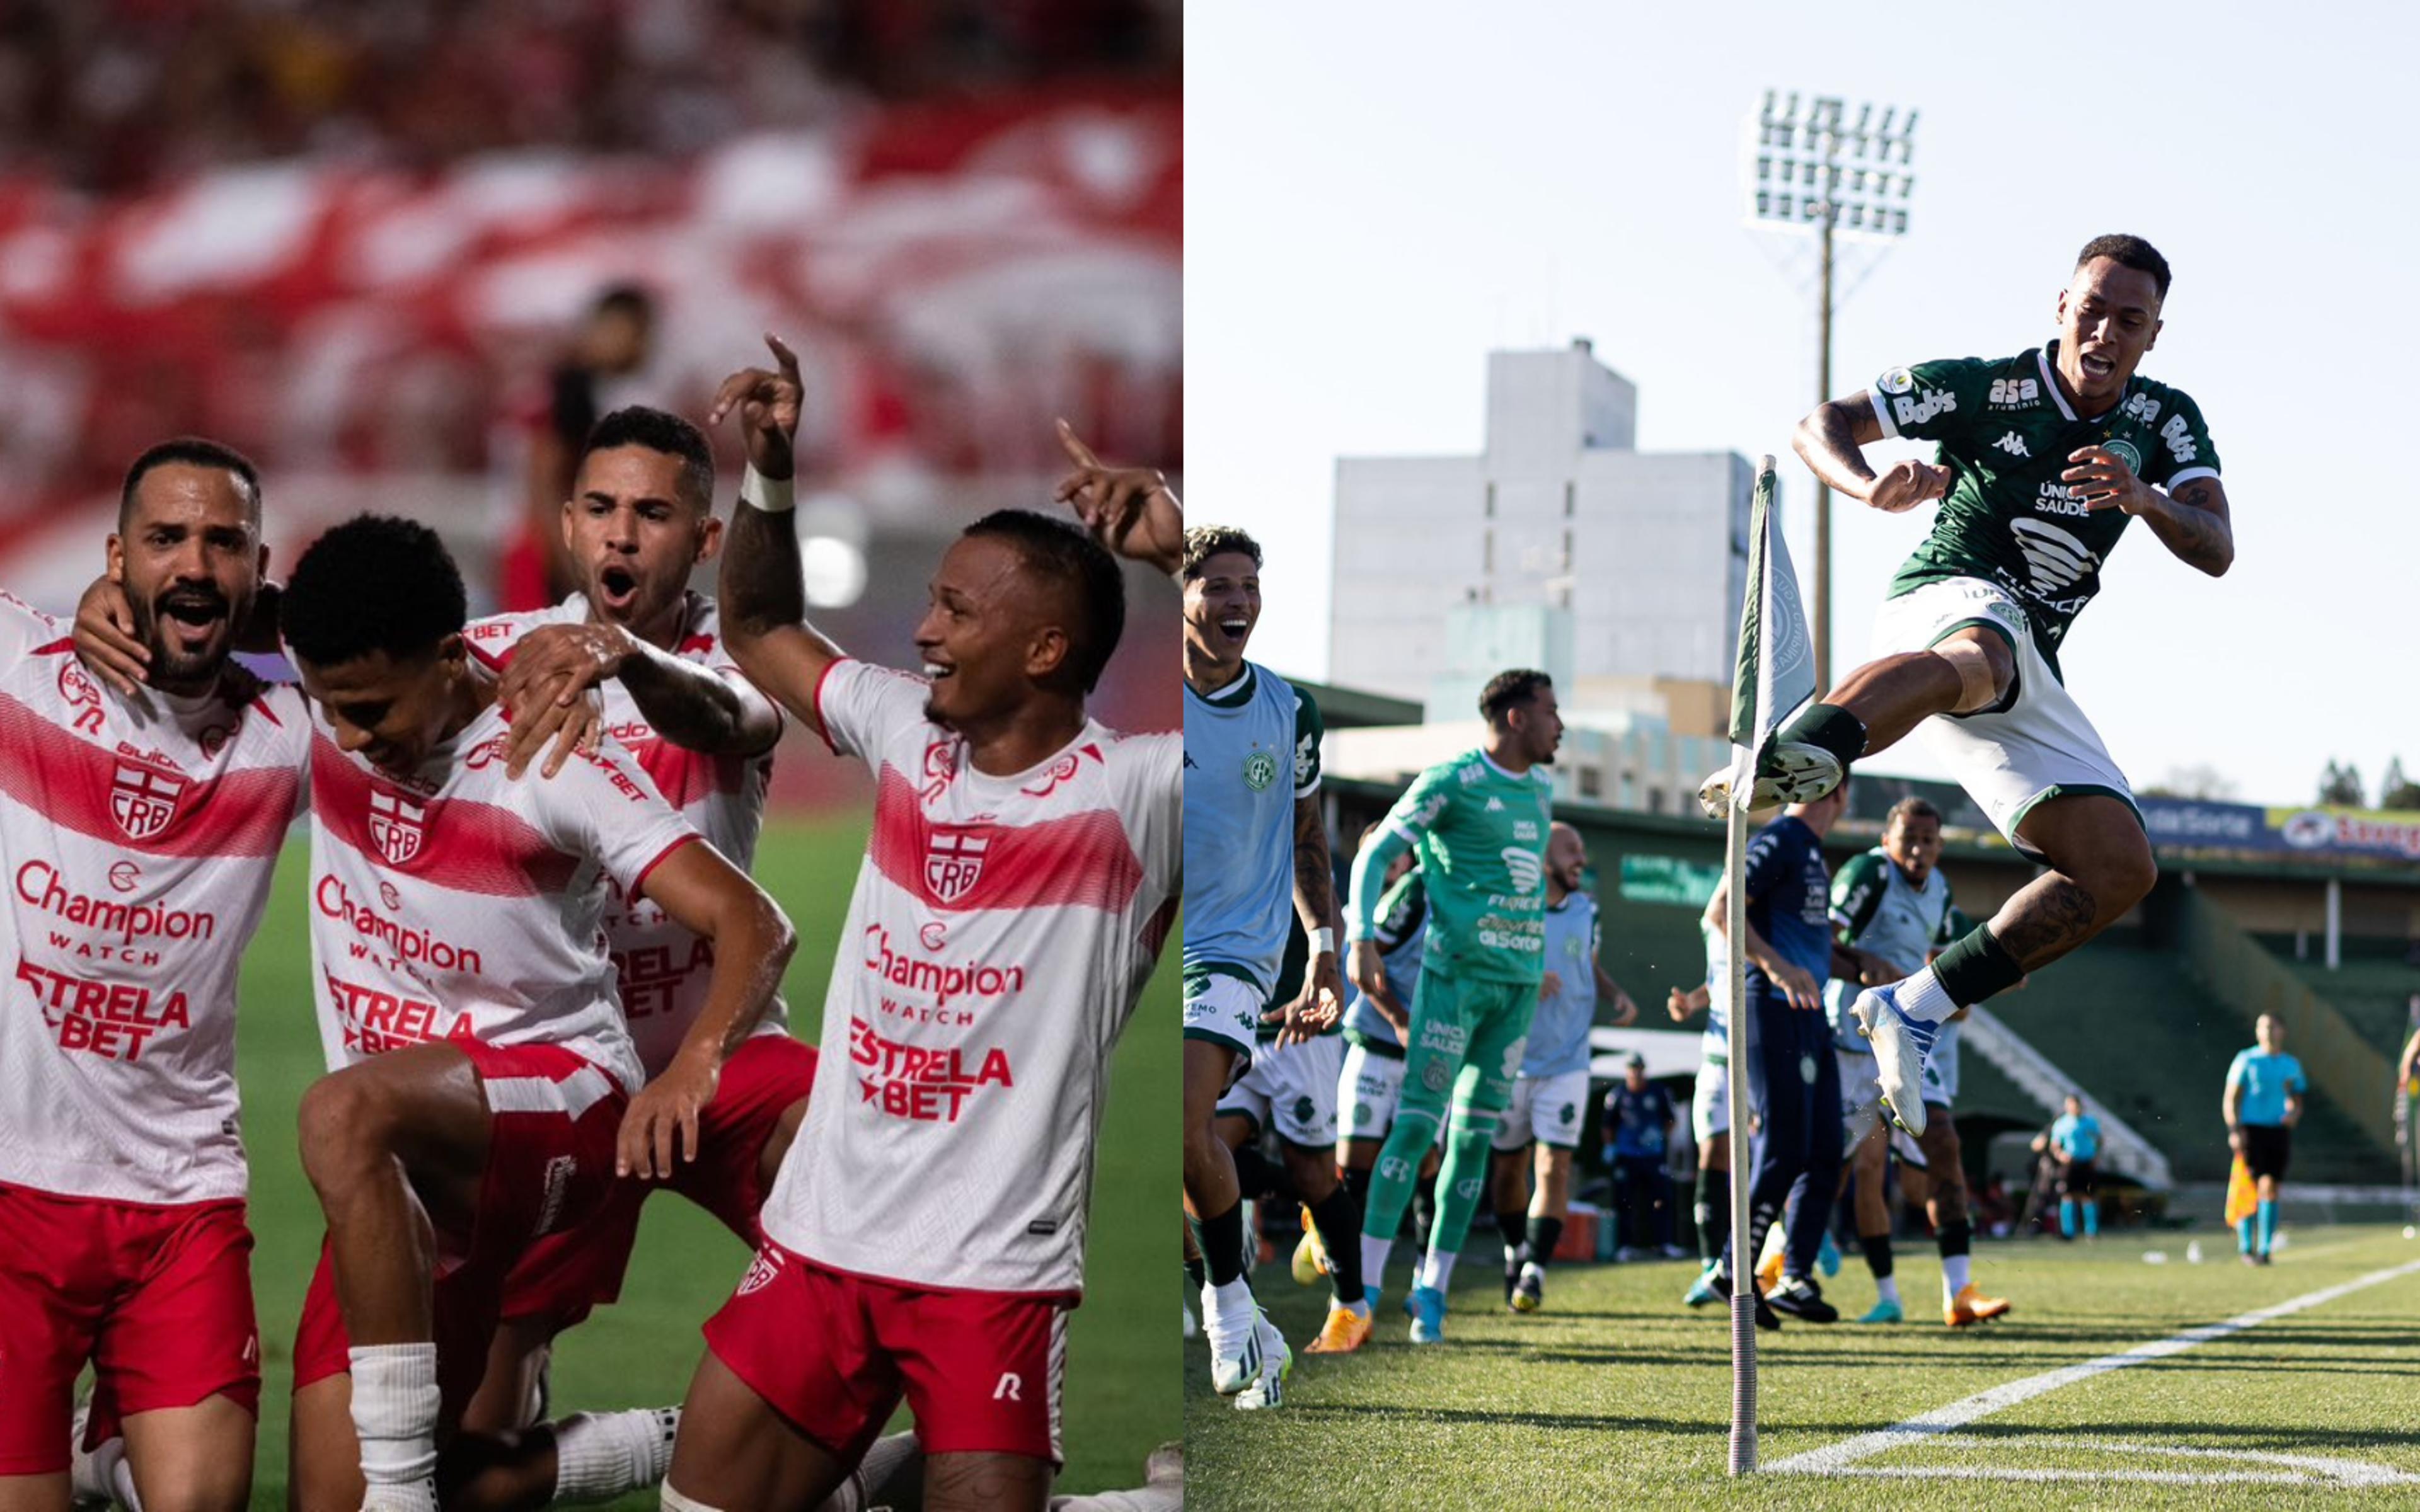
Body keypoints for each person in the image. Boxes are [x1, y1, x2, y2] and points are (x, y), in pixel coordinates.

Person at [664, 341, 1182, 1511]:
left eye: (955, 608)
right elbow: (754, 623)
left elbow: (1267, 748)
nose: (926, 631)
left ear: (1047, 649)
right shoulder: (905, 733)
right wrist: (774, 471)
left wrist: (1186, 557)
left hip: (990, 1271)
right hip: (822, 1238)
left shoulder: (1140, 793)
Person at [274, 513, 795, 1512]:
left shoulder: (552, 755)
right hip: (412, 1167)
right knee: (405, 1489)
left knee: (339, 1112)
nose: (343, 738)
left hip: (563, 1101)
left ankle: (397, 1499)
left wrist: (692, 1065)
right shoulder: (337, 689)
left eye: (369, 710)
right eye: (326, 707)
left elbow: (752, 920)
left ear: (447, 654)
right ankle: (726, 1455)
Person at [1706, 235, 2232, 1140]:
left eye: (2129, 321)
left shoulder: (2164, 418)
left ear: (2153, 336)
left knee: (2119, 869)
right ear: (2060, 305)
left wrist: (2144, 499)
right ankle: (1807, 750)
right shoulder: (1986, 388)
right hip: (1947, 602)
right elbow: (1817, 426)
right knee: (1982, 651)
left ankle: (1911, 1005)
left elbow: (2217, 548)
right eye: (2092, 309)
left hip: (2029, 661)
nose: (2105, 331)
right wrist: (1869, 487)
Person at [447, 404, 823, 1477]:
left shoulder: (735, 664)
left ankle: (876, 1428)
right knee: (473, 1463)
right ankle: (660, 1447)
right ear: (569, 526)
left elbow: (728, 719)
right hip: (570, 1074)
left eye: (653, 514)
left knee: (849, 1151)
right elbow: (360, 657)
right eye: (603, 510)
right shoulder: (501, 657)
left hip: (720, 1054)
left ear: (704, 540)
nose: (622, 535)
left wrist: (625, 660)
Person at [0, 439, 302, 1512]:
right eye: (166, 539)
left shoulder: (287, 731)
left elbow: (418, 653)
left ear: (260, 574)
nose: (194, 564)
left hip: (179, 1201)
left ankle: (105, 1459)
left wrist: (280, 639)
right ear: (115, 555)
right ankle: (92, 1465)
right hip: (11, 1196)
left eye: (223, 543)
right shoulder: (17, 670)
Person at [1180, 520, 1354, 1387]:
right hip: (1146, 941)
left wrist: (1324, 944)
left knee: (1188, 1119)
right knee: (1170, 1151)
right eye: (1218, 585)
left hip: (1233, 953)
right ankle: (1257, 1334)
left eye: (1248, 586)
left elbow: (1308, 837)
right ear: (1181, 596)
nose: (1238, 601)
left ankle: (1228, 1309)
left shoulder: (1289, 710)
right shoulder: (1140, 704)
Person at [1345, 670, 1560, 1344]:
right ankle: (1362, 1295)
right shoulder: (1452, 781)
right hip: (1453, 983)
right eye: (1553, 712)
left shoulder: (1542, 790)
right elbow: (1378, 850)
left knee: (1473, 1143)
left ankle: (1430, 1295)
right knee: (1413, 1131)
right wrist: (1360, 939)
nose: (1562, 726)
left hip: (1516, 989)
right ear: (1517, 717)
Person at [1703, 784, 1853, 1326]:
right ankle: (1731, 1268)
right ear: (1840, 793)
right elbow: (1722, 911)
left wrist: (1865, 967)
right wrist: (1774, 967)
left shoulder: (1812, 852)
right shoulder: (1783, 837)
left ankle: (1795, 1276)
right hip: (1769, 1007)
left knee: (1826, 1151)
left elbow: (1811, 948)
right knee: (1785, 1148)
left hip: (1811, 1015)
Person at [1490, 822, 1638, 1309]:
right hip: (1512, 1060)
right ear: (1544, 857)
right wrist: (1527, 979)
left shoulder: (1587, 908)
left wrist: (1614, 991)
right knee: (1509, 1168)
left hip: (1569, 1061)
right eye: (1571, 850)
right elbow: (1484, 966)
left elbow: (1586, 965)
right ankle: (1516, 1249)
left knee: (1554, 1166)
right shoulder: (1513, 908)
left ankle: (1534, 1269)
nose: (1581, 857)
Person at [1334, 828, 1444, 1292]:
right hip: (1375, 1049)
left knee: (1428, 1163)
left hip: (1433, 1054)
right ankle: (1351, 1280)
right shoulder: (1411, 894)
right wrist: (1400, 1019)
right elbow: (1365, 965)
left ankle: (1425, 1278)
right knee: (1353, 1165)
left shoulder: (1468, 895)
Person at [504, 285, 659, 609]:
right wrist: (573, 566)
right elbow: (546, 485)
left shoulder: (577, 389)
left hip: (539, 543)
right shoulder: (570, 393)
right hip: (544, 550)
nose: (643, 346)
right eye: (637, 332)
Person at [1670, 927, 1733, 1309]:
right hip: (1717, 1058)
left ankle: (1786, 1267)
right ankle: (1711, 1267)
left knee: (1765, 1163)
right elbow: (1722, 981)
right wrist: (1692, 1003)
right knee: (1712, 1156)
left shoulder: (1769, 902)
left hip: (1760, 1059)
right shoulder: (1715, 913)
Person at [2224, 1014, 2306, 1265]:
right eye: (2263, 1027)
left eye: (2272, 1027)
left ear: (2282, 1031)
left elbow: (2296, 1097)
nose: (2268, 1032)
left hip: (2277, 1131)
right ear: (2257, 1032)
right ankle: (2246, 1247)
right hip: (2251, 1130)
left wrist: (2293, 1113)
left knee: (2271, 1187)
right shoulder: (2247, 1060)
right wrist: (2234, 1130)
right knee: (2251, 1187)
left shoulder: (2290, 1065)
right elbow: (2231, 1099)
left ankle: (2265, 1248)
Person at [1600, 1055, 1678, 1263]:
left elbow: (1670, 1120)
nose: (1636, 1072)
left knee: (1661, 1198)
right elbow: (1608, 1125)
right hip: (1627, 1156)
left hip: (1653, 1156)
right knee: (1625, 1201)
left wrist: (1660, 1140)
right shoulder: (1617, 1095)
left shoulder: (1658, 1092)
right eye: (1632, 1068)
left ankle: (1663, 1243)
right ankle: (1625, 1246)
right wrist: (1610, 1147)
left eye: (1639, 1068)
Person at [2047, 1093, 2103, 1242]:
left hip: (2086, 1163)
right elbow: (2055, 1145)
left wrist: (2096, 1155)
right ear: (2067, 1106)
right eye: (2071, 1104)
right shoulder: (2062, 1123)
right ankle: (2068, 1232)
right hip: (2070, 1164)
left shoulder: (2089, 1122)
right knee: (2068, 1196)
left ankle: (2091, 1231)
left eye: (2076, 1105)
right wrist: (2061, 1155)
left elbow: (2099, 1139)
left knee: (2088, 1196)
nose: (2074, 1108)